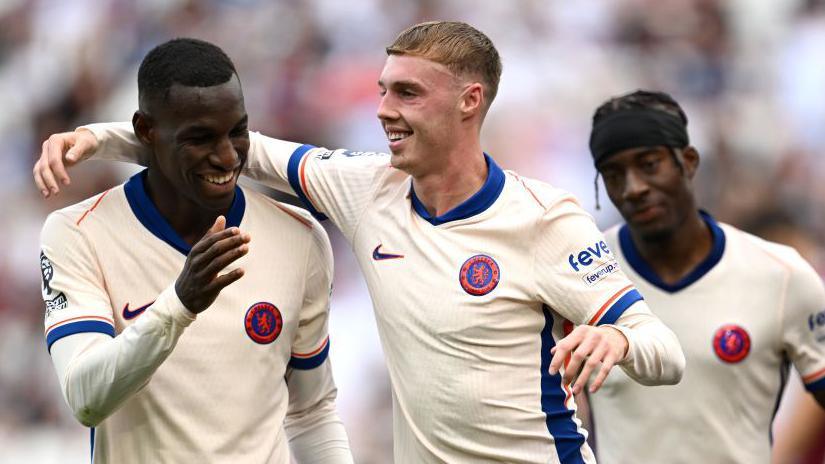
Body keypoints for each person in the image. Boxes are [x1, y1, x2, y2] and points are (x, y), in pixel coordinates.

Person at [34, 22, 685, 463]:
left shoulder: (544, 219)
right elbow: (234, 147)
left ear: (469, 100)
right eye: (380, 89)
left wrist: (620, 338)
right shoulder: (365, 189)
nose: (381, 108)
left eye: (405, 92)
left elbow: (665, 353)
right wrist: (100, 138)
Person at [37, 38, 352, 463]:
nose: (227, 157)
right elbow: (86, 397)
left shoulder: (299, 236)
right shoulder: (78, 232)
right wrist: (179, 305)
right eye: (201, 138)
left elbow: (312, 413)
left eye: (237, 132)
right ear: (145, 131)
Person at [583, 89, 825, 463]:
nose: (634, 188)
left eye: (649, 164)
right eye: (614, 175)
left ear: (689, 162)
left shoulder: (781, 275)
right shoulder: (585, 273)